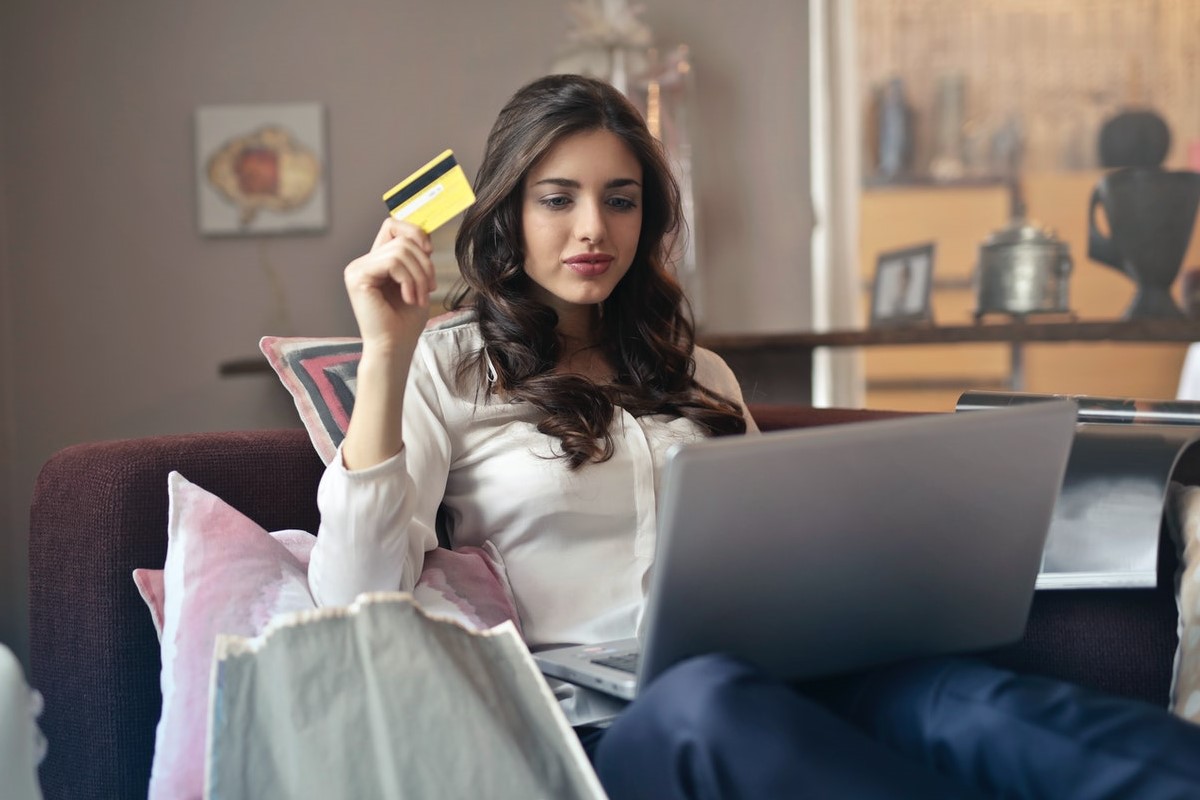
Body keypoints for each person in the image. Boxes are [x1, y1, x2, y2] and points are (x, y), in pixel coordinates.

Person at [310, 74, 1200, 799]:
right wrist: (387, 353)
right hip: (609, 728)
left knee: (964, 701)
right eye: (559, 200)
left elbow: (775, 552)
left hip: (782, 673)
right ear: (508, 214)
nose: (594, 229)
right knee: (707, 703)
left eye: (621, 201)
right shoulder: (446, 367)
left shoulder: (697, 374)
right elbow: (354, 593)